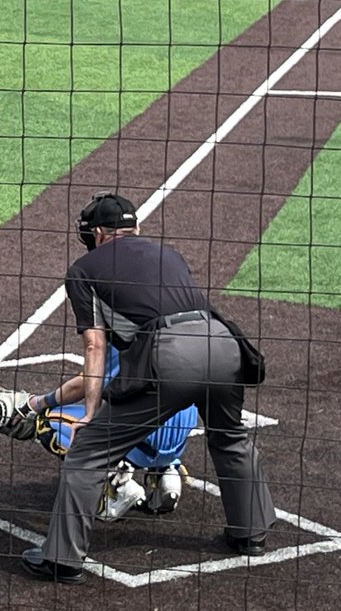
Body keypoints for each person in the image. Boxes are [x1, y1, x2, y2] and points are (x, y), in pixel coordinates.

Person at [20, 192, 276, 585]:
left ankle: (61, 559)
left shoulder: (83, 269)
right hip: (225, 345)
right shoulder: (169, 255)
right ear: (135, 228)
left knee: (89, 454)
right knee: (230, 439)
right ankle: (251, 534)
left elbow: (95, 345)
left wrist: (89, 413)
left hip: (172, 356)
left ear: (100, 234)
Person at [0, 347, 199, 522]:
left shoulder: (123, 334)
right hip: (177, 437)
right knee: (159, 403)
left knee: (47, 421)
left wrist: (33, 404)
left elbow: (86, 384)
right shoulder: (179, 327)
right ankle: (165, 471)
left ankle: (115, 487)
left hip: (139, 441)